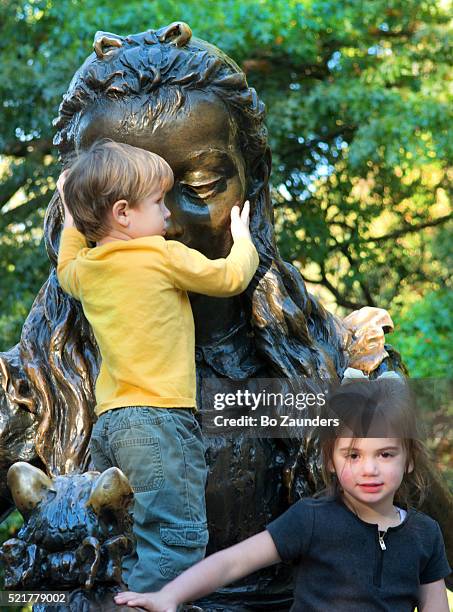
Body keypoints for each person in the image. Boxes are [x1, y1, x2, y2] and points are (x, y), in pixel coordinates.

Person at [0, 22, 451, 607]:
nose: (166, 227)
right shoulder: (32, 388)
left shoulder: (333, 372)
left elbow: (430, 546)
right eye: (120, 207)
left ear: (254, 183)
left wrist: (392, 430)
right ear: (77, 210)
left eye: (202, 183)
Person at [56, 138, 259, 592]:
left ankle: (114, 597)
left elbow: (64, 265)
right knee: (176, 544)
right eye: (158, 202)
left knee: (123, 542)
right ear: (124, 214)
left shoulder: (89, 269)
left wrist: (71, 219)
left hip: (110, 425)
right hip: (160, 421)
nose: (169, 215)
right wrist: (244, 239)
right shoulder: (161, 256)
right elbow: (230, 277)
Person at [114, 378, 451, 612]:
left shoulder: (425, 534)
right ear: (331, 461)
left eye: (386, 454)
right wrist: (169, 595)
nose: (370, 469)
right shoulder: (312, 518)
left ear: (409, 460)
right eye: (353, 455)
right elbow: (233, 562)